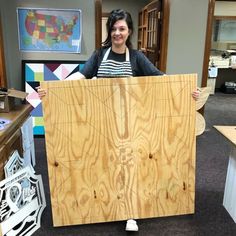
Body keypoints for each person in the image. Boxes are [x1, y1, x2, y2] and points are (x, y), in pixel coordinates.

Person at [37, 9, 199, 231]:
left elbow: (161, 79)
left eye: (121, 28)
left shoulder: (136, 57)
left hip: (130, 124)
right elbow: (80, 77)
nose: (117, 33)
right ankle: (105, 207)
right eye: (113, 28)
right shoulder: (98, 55)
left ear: (129, 31)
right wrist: (52, 90)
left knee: (129, 166)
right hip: (102, 122)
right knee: (105, 165)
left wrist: (186, 90)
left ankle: (130, 213)